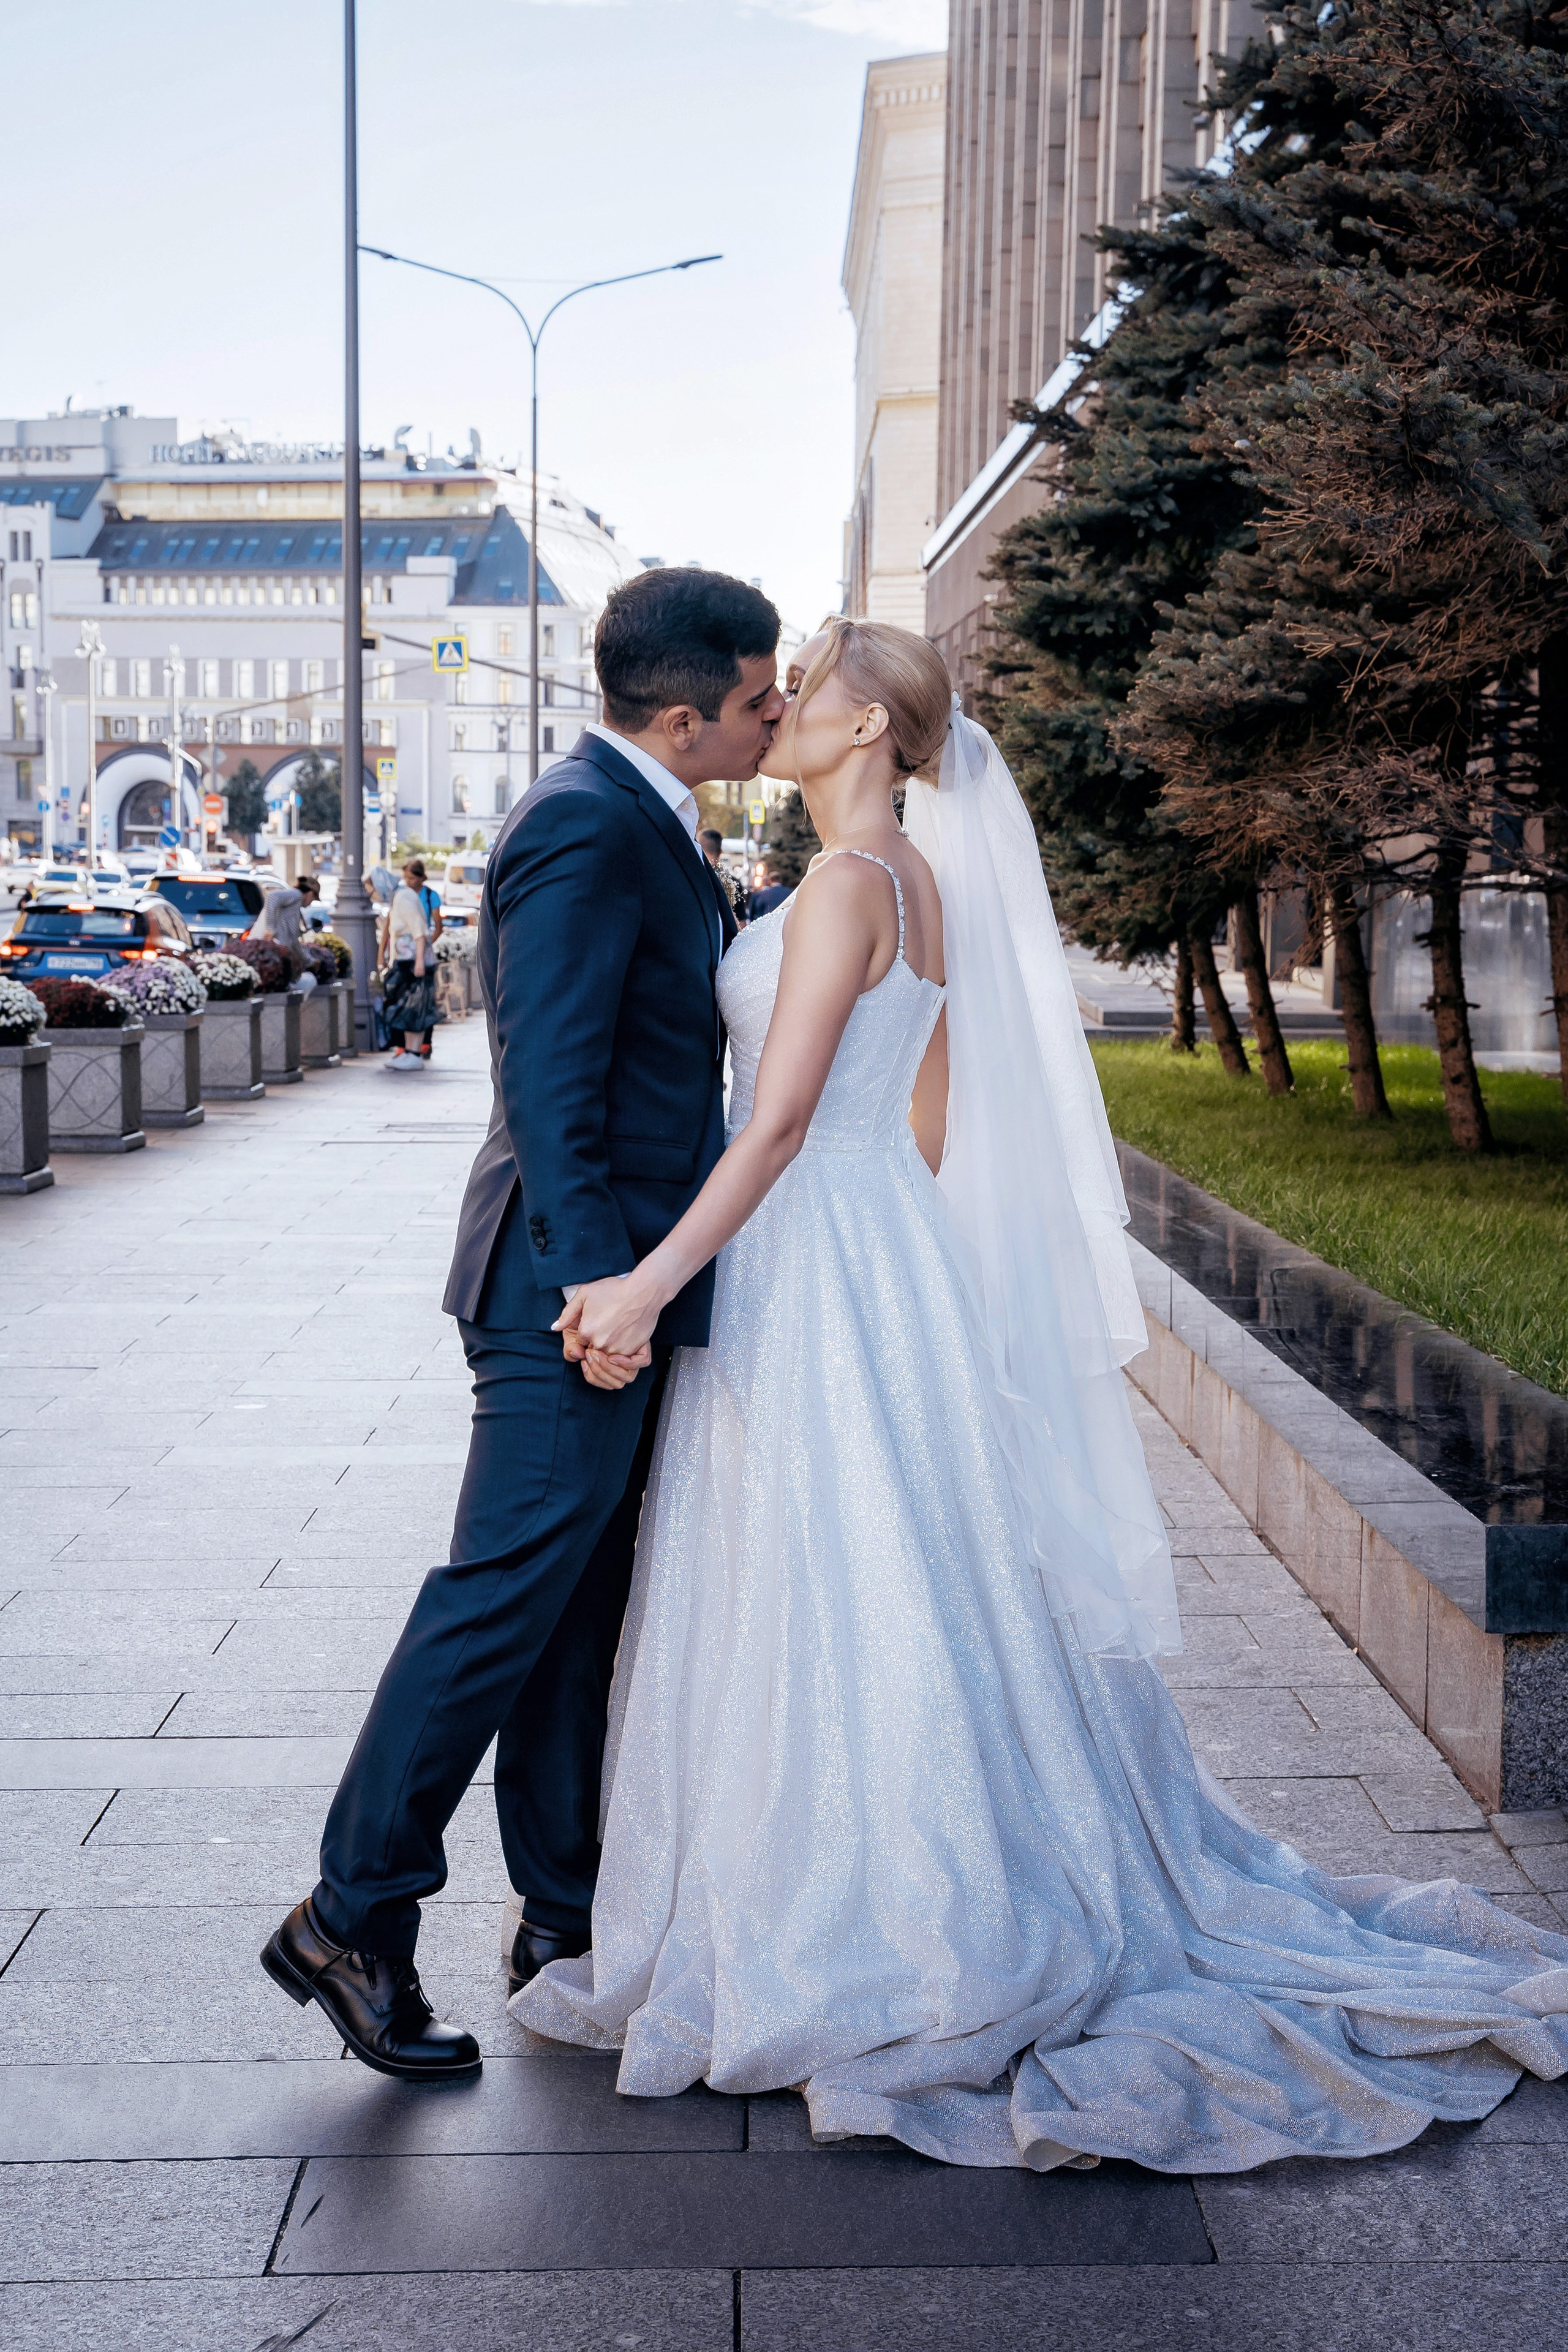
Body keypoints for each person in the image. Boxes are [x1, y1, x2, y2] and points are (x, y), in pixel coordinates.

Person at [519, 616, 1568, 2173]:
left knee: (829, 1582)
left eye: (811, 689)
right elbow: (924, 1117)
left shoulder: (835, 889)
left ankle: (859, 1920)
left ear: (870, 731)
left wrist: (645, 1278)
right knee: (904, 1577)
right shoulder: (918, 888)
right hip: (883, 1251)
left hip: (812, 1256)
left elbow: (784, 1121)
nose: (786, 705)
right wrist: (896, 1270)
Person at [261, 568, 785, 2078]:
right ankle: (350, 1912)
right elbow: (542, 1087)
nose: (771, 716)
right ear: (682, 715)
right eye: (756, 698)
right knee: (496, 1599)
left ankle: (561, 1908)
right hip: (566, 1292)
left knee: (571, 1605)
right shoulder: (580, 822)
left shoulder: (647, 815)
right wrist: (590, 1295)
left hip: (622, 1283)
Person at [380, 862, 436, 1069]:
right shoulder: (400, 897)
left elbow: (419, 931)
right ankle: (409, 1053)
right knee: (408, 1008)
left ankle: (414, 1054)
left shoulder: (403, 898)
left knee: (414, 1008)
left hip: (412, 963)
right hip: (408, 962)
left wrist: (419, 961)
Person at [699, 824, 747, 925]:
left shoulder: (695, 878)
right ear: (721, 851)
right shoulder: (732, 882)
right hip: (727, 939)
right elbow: (742, 923)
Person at [746, 857, 787, 921]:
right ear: (780, 880)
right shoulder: (789, 892)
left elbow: (754, 913)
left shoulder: (762, 894)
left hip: (767, 923)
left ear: (770, 881)